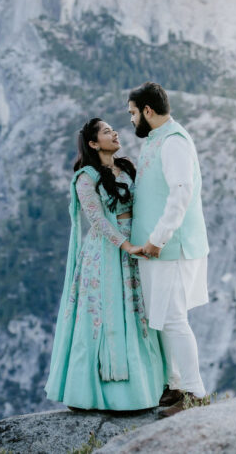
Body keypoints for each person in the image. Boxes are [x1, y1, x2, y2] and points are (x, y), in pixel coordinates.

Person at [45, 118, 165, 411]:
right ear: (93, 143)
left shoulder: (126, 168)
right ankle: (96, 393)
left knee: (136, 312)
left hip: (135, 245)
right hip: (105, 252)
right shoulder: (85, 177)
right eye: (107, 131)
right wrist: (125, 245)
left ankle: (142, 392)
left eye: (113, 129)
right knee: (101, 314)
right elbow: (96, 219)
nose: (115, 133)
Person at [127, 82, 210, 418]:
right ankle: (173, 384)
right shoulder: (156, 140)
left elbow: (181, 192)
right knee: (160, 318)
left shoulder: (174, 142)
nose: (131, 120)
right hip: (153, 249)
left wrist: (158, 239)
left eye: (133, 113)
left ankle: (194, 392)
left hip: (169, 248)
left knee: (173, 318)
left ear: (148, 111)